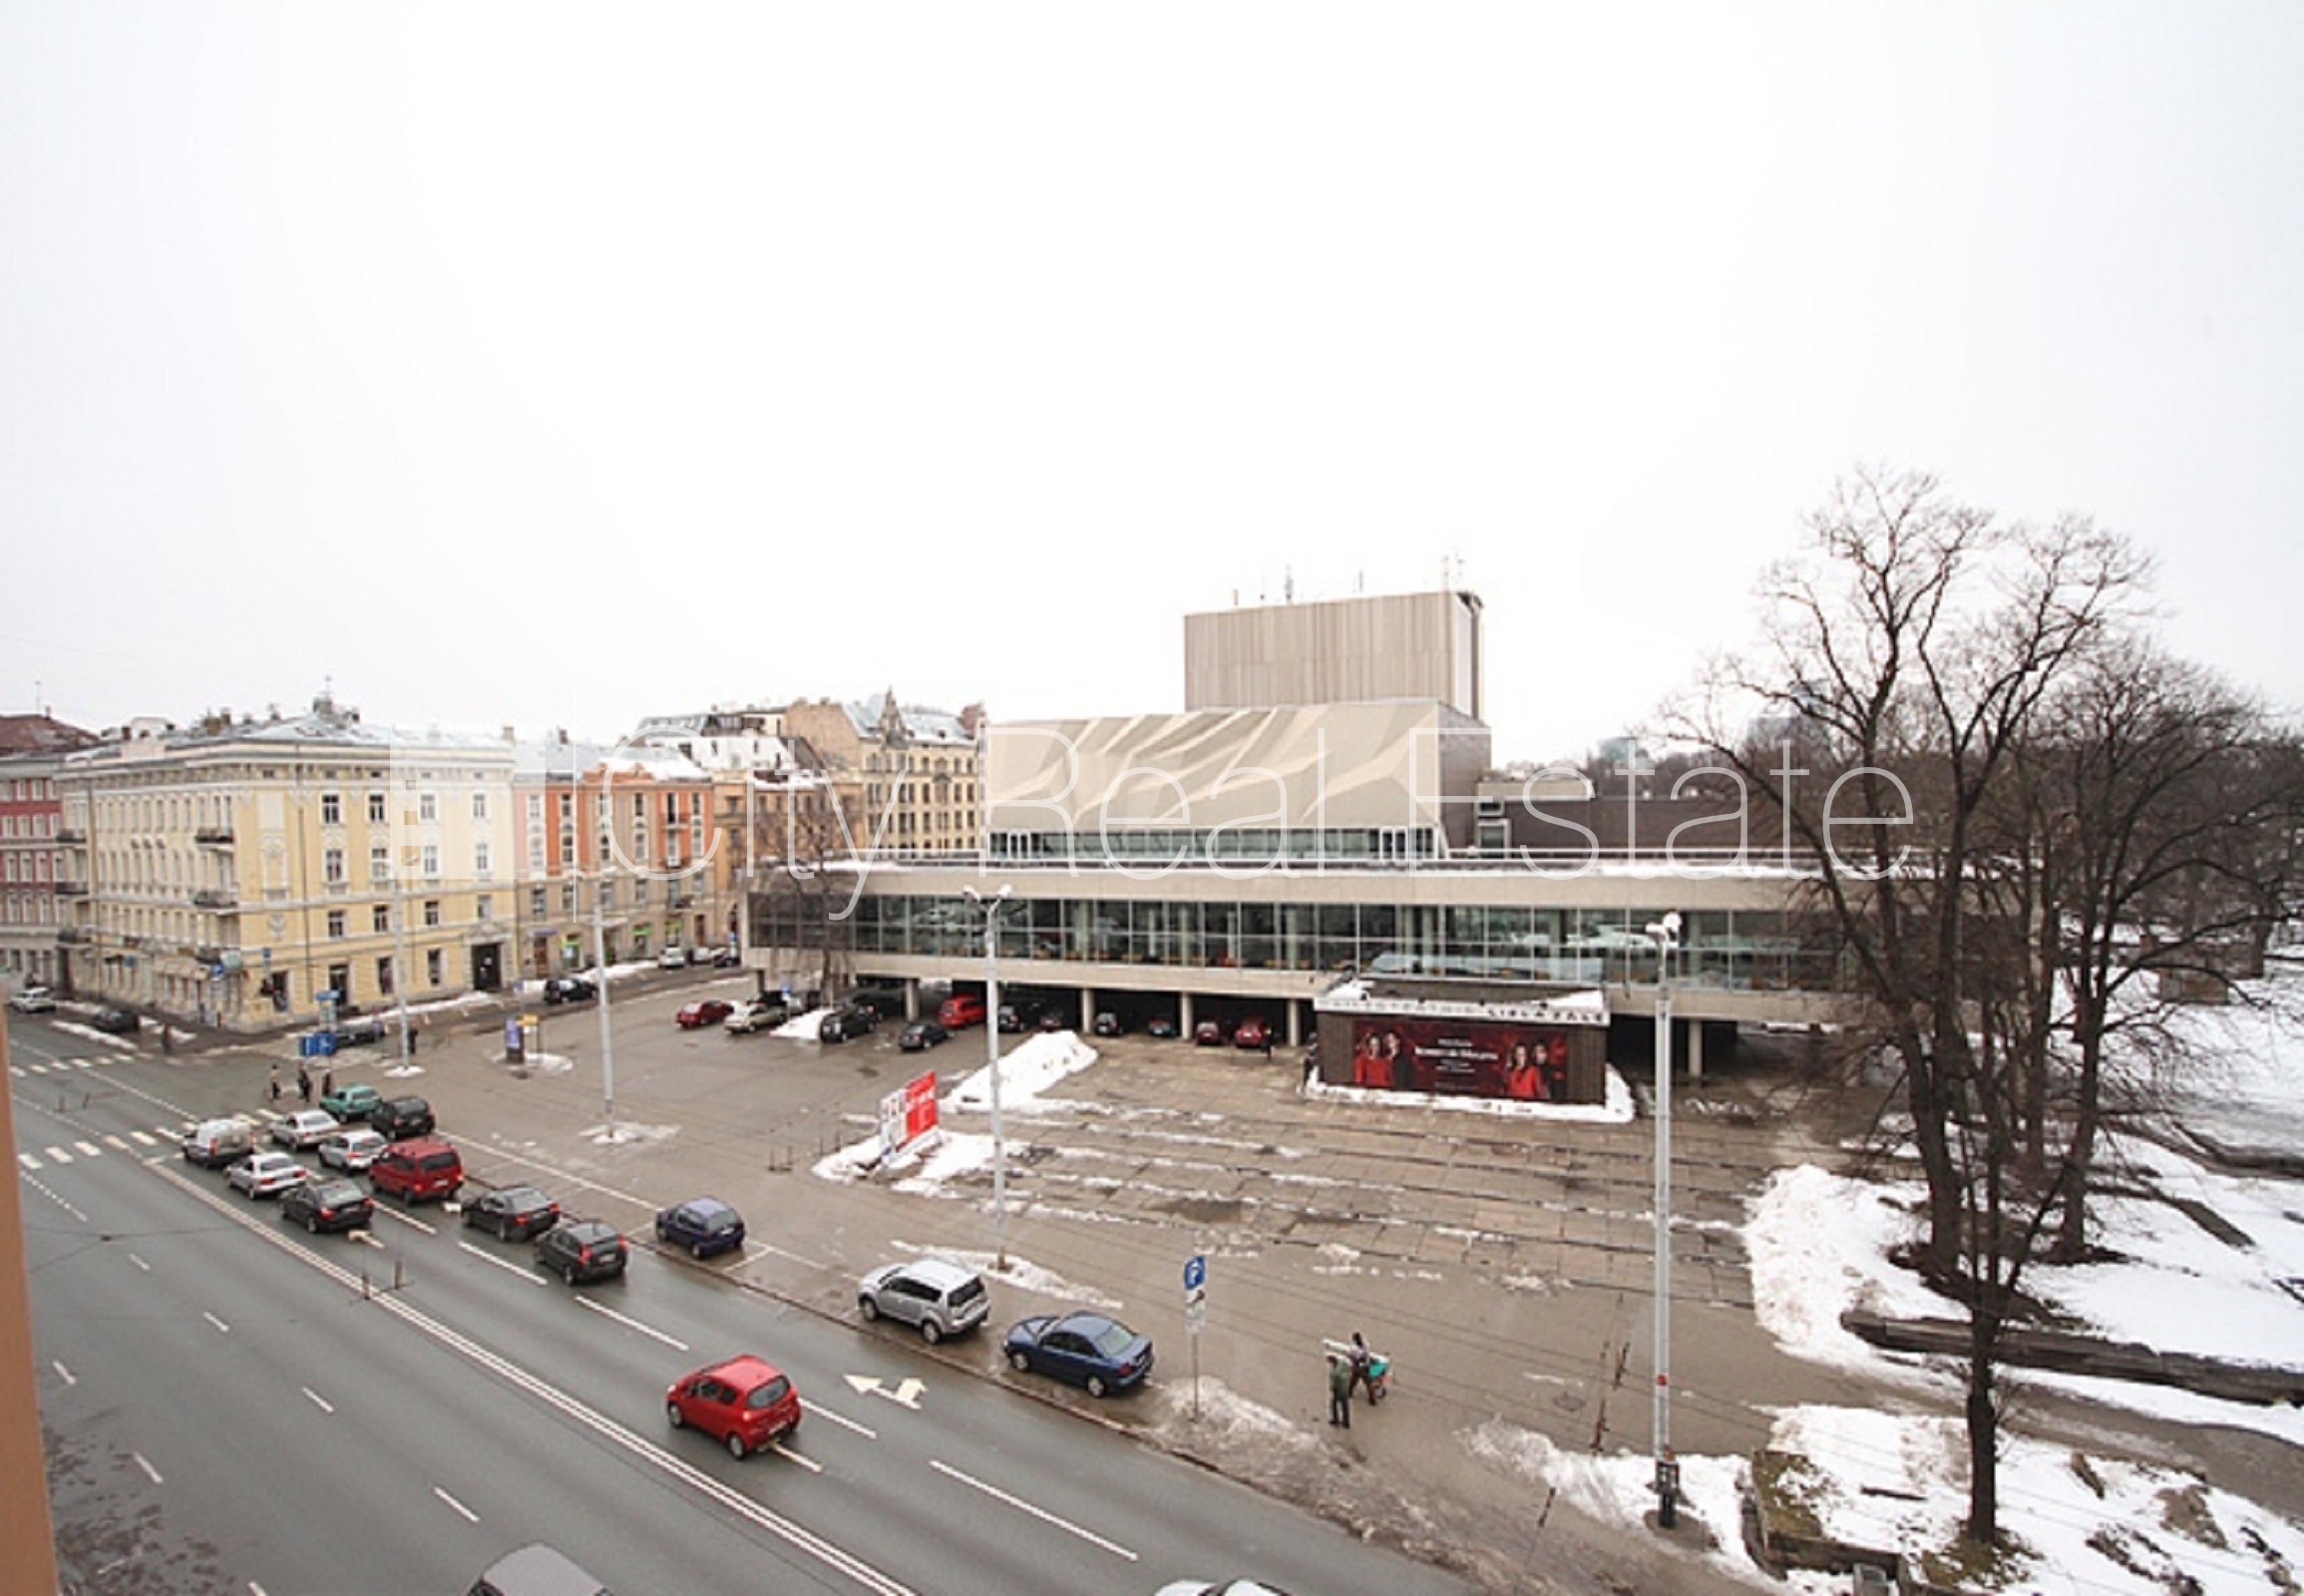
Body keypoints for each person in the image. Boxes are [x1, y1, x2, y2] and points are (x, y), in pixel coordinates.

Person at [1327, 1350, 1352, 1428]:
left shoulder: (1336, 1370)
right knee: (1344, 1405)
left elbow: (1336, 1378)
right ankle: (1346, 1422)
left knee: (1334, 1404)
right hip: (1344, 1387)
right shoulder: (1342, 1365)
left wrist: (1332, 1386)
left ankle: (1336, 1420)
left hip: (1339, 1389)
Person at [1348, 1331, 1376, 1402]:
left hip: (1358, 1367)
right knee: (1368, 1383)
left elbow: (1354, 1357)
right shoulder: (1366, 1344)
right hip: (1366, 1366)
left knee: (1353, 1380)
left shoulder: (1354, 1348)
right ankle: (1372, 1398)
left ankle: (1349, 1393)